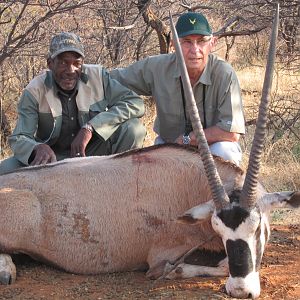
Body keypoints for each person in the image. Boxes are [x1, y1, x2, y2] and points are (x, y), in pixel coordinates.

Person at [0, 32, 146, 175]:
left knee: (133, 128)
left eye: (77, 63)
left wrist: (91, 127)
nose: (71, 70)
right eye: (63, 62)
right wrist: (37, 147)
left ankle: (120, 181)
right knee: (4, 171)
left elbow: (135, 103)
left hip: (91, 152)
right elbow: (19, 138)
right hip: (53, 158)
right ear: (50, 63)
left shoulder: (98, 77)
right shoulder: (34, 90)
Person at [110, 12, 245, 165]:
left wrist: (189, 139)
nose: (195, 50)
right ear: (173, 44)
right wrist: (81, 70)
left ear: (212, 43)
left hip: (211, 147)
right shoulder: (157, 67)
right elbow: (112, 79)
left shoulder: (225, 74)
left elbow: (232, 132)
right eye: (187, 42)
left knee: (226, 152)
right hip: (169, 146)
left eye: (201, 41)